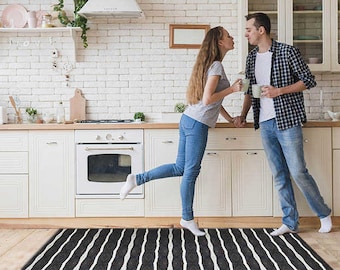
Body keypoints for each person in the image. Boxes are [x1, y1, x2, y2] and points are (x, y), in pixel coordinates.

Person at [120, 26, 242, 236]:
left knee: (180, 168)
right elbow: (207, 99)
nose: (232, 38)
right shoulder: (216, 66)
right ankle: (187, 218)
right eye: (228, 36)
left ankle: (137, 179)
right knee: (190, 172)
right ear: (220, 42)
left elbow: (213, 99)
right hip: (197, 123)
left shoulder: (211, 65)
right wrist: (232, 89)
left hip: (188, 119)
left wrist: (230, 118)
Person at [234, 12, 332, 236]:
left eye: (249, 29)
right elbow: (250, 91)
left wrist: (280, 91)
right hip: (265, 122)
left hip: (287, 119)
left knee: (298, 171)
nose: (246, 33)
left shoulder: (288, 51)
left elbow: (309, 80)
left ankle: (323, 214)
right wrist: (243, 115)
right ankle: (290, 221)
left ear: (261, 30)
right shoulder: (251, 58)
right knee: (279, 174)